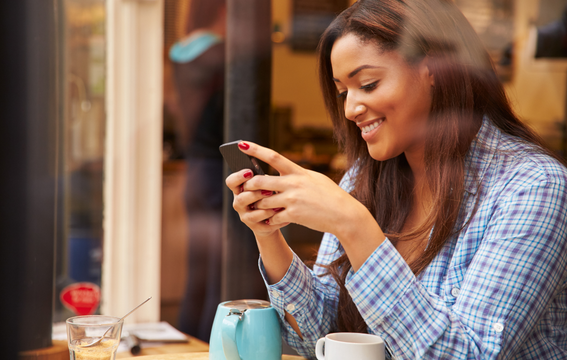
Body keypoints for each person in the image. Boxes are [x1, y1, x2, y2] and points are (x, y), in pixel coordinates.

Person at [225, 0, 567, 359]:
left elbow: (469, 354)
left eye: (368, 84)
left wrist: (355, 226)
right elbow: (319, 341)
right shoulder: (365, 178)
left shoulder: (533, 187)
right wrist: (268, 233)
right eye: (343, 92)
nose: (349, 108)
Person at [169, 0, 226, 342]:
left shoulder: (180, 54)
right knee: (222, 275)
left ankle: (187, 341)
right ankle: (211, 347)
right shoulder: (219, 55)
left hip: (195, 170)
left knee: (199, 273)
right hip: (218, 172)